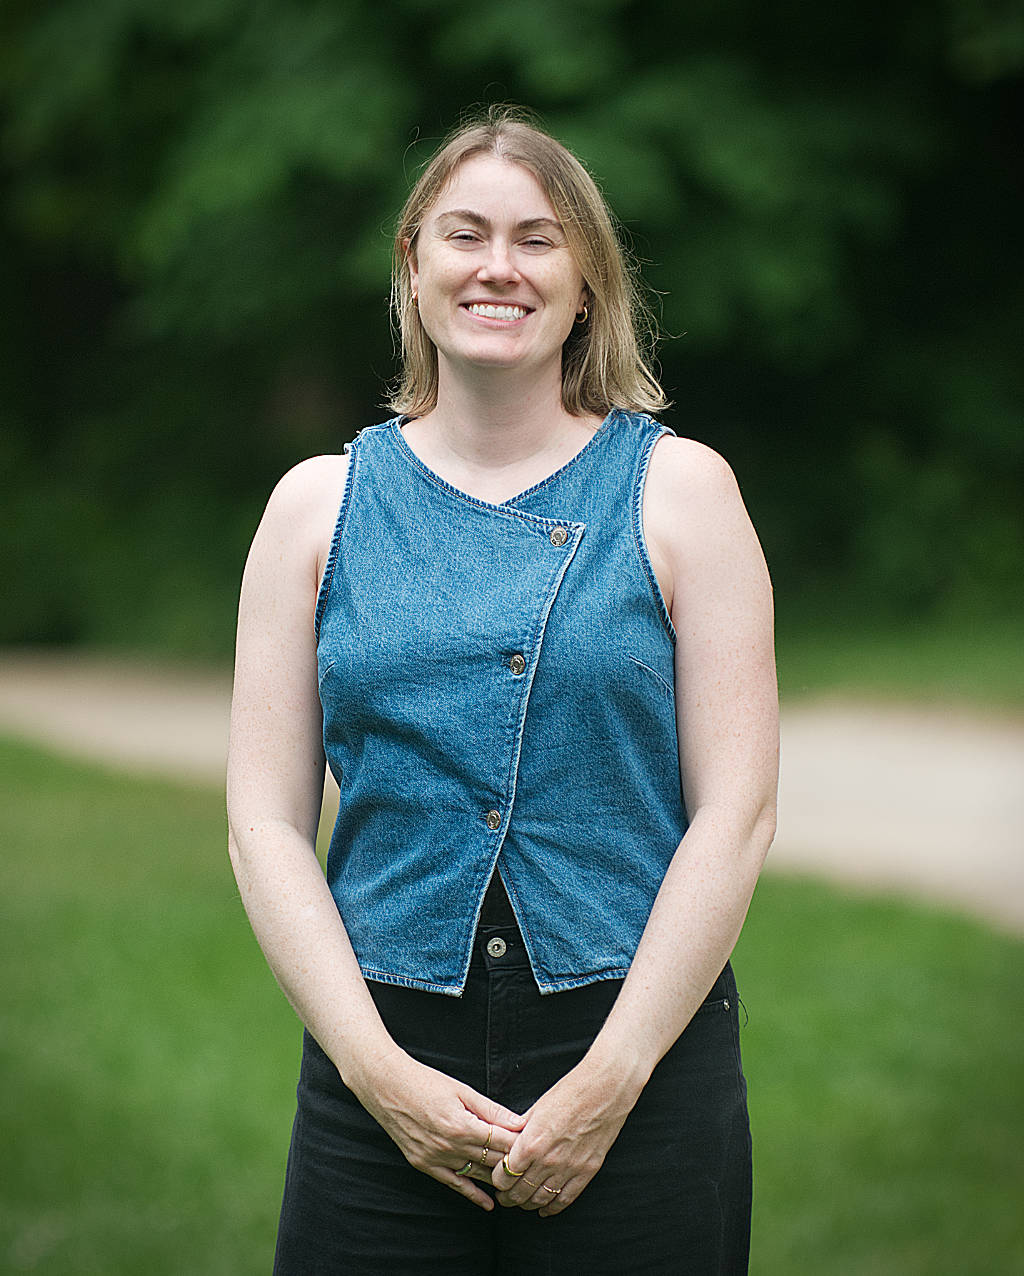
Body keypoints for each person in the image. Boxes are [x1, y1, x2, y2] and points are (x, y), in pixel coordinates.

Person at [226, 105, 778, 1275]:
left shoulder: (684, 493)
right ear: (413, 267)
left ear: (586, 284)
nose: (498, 267)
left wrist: (613, 1077)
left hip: (640, 1053)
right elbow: (263, 821)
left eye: (537, 239)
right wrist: (378, 1076)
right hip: (377, 1061)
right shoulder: (311, 510)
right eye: (465, 234)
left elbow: (736, 813)